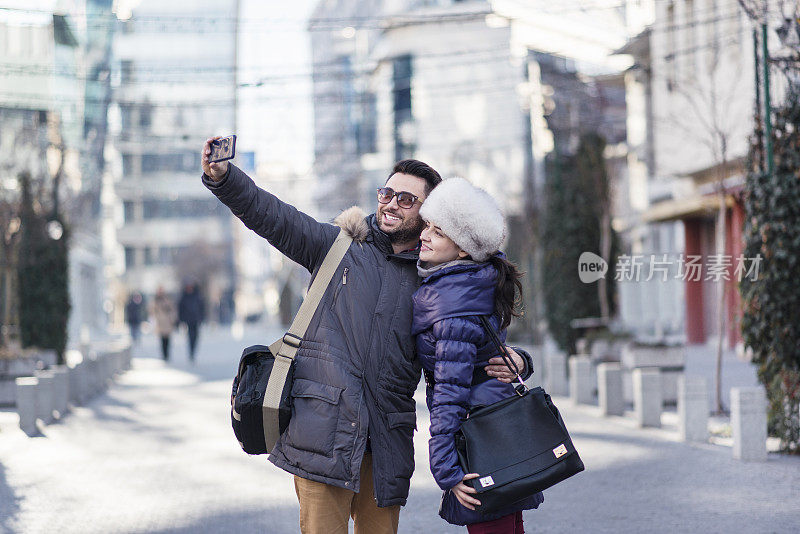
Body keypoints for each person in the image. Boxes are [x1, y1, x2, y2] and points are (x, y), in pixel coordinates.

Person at [201, 137, 534, 534]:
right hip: (322, 434)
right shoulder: (337, 246)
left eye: (406, 200)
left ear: (428, 215)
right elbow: (271, 215)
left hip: (386, 444)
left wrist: (518, 360)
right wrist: (222, 178)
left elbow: (465, 347)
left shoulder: (436, 279)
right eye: (387, 192)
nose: (391, 203)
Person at [411, 177, 544, 533]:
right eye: (427, 225)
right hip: (498, 433)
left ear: (463, 249)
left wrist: (448, 470)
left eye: (438, 232)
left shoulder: (453, 303)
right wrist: (521, 360)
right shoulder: (470, 280)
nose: (424, 235)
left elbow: (449, 393)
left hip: (482, 444)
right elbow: (489, 353)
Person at [178, 282, 204, 362]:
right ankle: (191, 352)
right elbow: (180, 308)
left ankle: (193, 350)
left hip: (196, 320)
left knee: (196, 337)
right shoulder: (184, 297)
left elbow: (202, 307)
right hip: (188, 320)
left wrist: (201, 317)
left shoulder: (197, 296)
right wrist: (182, 319)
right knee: (190, 336)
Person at [151, 286, 177, 361]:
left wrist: (172, 319)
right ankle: (164, 354)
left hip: (167, 322)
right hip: (160, 322)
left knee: (167, 339)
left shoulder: (167, 300)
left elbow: (172, 310)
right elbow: (152, 311)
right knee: (162, 339)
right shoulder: (155, 300)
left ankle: (167, 354)